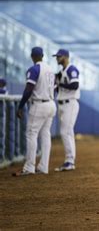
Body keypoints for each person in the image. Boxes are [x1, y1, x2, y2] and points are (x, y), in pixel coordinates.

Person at [13, 47, 56, 176]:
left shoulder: (34, 69)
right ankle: (43, 167)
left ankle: (29, 167)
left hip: (39, 104)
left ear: (32, 56)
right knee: (45, 135)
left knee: (31, 134)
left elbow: (28, 89)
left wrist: (20, 106)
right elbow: (55, 88)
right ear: (42, 55)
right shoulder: (50, 69)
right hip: (51, 103)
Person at [53, 49, 80, 172]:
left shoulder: (71, 69)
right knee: (67, 132)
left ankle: (70, 161)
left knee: (65, 132)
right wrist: (56, 84)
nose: (57, 58)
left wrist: (59, 84)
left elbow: (75, 85)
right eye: (57, 56)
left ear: (66, 57)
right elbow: (57, 90)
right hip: (62, 103)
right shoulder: (61, 72)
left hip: (70, 103)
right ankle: (69, 160)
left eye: (59, 56)